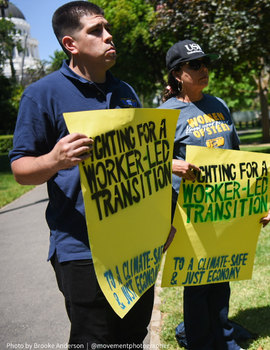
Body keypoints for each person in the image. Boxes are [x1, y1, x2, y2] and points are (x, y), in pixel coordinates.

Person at [9, 1, 173, 347]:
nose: (108, 35)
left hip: (136, 246)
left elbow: (144, 165)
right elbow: (21, 169)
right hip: (82, 252)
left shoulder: (126, 92)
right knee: (95, 340)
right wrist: (54, 160)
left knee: (132, 337)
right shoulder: (42, 95)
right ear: (71, 44)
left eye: (107, 28)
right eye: (96, 30)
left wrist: (160, 222)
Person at [158, 39, 270, 350]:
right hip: (189, 211)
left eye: (205, 62)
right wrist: (172, 164)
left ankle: (222, 334)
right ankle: (200, 341)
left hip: (225, 206)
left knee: (221, 276)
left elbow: (237, 159)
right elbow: (150, 163)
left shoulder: (219, 104)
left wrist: (256, 204)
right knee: (197, 283)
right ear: (177, 73)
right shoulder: (165, 113)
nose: (204, 68)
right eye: (195, 65)